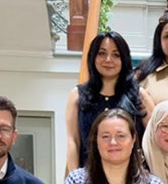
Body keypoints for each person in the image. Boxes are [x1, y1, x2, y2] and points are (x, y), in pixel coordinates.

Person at [65, 32, 154, 172]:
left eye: (116, 55)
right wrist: (74, 181)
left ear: (124, 59)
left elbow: (153, 142)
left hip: (133, 182)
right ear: (93, 57)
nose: (108, 59)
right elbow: (73, 142)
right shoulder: (77, 95)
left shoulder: (140, 96)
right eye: (102, 53)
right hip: (89, 180)